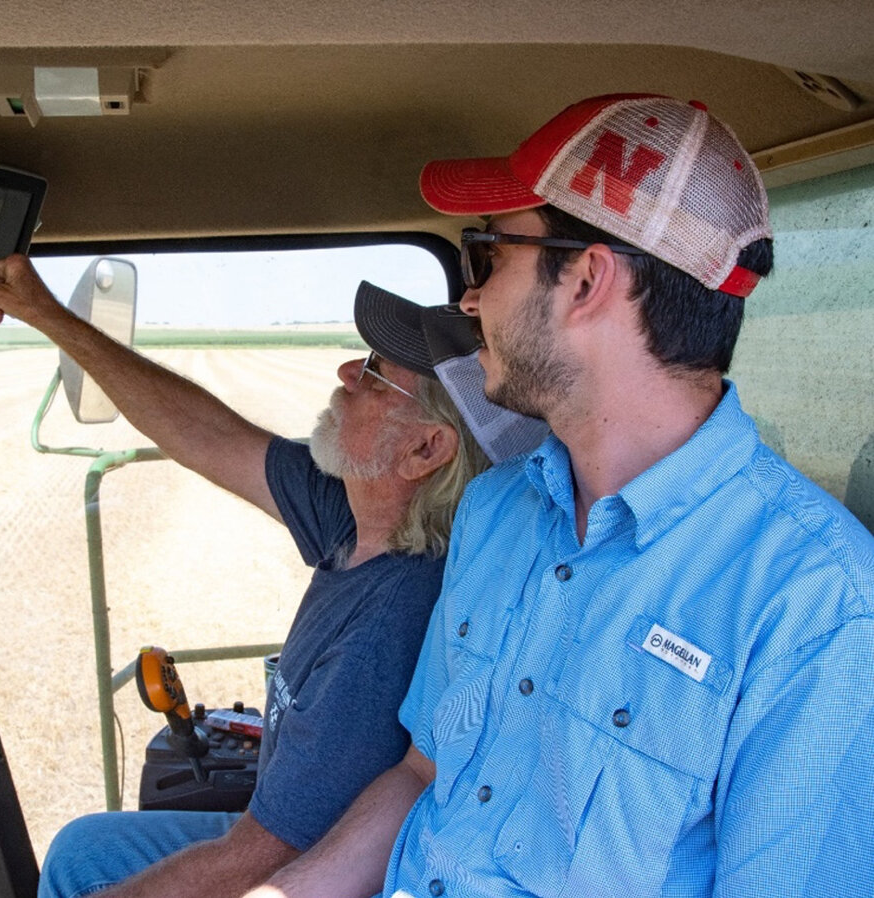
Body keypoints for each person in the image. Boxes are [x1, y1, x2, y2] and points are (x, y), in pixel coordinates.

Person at [246, 93, 874, 898]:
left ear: (584, 280)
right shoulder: (496, 511)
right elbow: (421, 772)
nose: (470, 302)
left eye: (486, 258)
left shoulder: (819, 606)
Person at [0, 255, 501, 898]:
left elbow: (261, 861)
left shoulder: (390, 622)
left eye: (377, 374)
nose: (347, 372)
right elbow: (204, 432)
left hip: (303, 861)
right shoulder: (353, 516)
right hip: (271, 833)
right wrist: (49, 315)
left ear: (425, 451)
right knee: (83, 850)